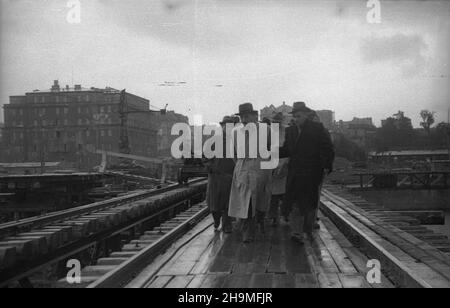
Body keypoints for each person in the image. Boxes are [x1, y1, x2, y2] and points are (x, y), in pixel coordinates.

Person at [280, 102, 335, 244]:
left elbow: (327, 148)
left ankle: (308, 228)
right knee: (294, 203)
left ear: (306, 115)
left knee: (309, 204)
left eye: (299, 116)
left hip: (311, 173)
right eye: (294, 116)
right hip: (295, 173)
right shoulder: (290, 131)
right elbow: (286, 149)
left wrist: (326, 165)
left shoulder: (317, 129)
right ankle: (297, 233)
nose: (296, 119)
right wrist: (271, 151)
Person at [228, 103, 272, 243]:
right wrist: (242, 165)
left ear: (255, 116)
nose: (244, 119)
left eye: (247, 116)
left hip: (261, 167)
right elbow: (234, 154)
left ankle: (259, 221)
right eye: (241, 117)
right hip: (243, 168)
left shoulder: (267, 130)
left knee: (260, 200)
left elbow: (272, 149)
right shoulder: (235, 132)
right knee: (245, 202)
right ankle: (248, 231)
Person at [205, 116, 236, 233]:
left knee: (229, 203)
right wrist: (209, 166)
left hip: (230, 176)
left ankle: (227, 225)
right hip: (216, 177)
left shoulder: (235, 140)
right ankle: (216, 220)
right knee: (214, 204)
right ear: (222, 126)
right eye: (226, 126)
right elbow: (205, 157)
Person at [268, 112, 289, 226]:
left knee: (286, 194)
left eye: (279, 122)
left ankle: (285, 214)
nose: (276, 124)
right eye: (274, 122)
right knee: (273, 195)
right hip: (271, 166)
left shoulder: (287, 131)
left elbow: (290, 148)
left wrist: (285, 163)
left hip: (285, 165)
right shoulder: (267, 133)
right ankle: (273, 216)